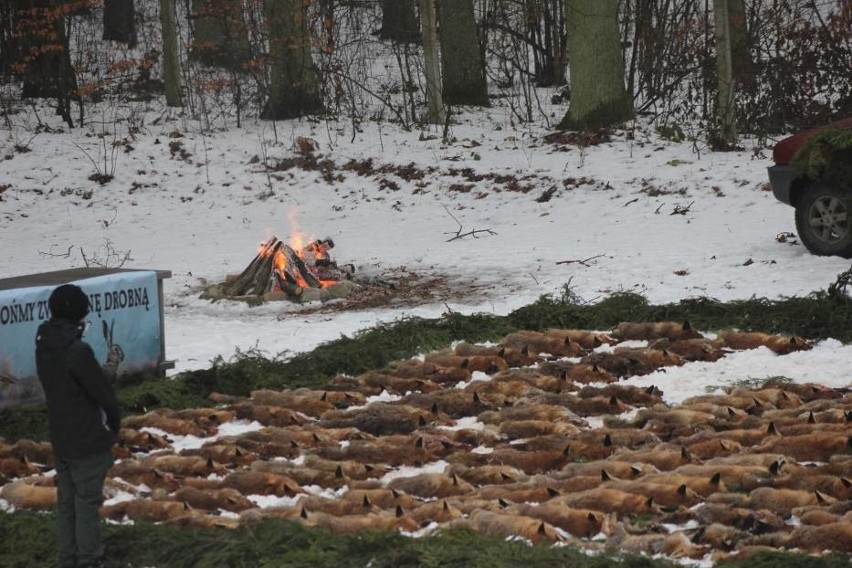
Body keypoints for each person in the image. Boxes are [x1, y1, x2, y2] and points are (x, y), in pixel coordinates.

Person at [36, 284, 123, 568]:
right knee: (86, 503)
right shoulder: (77, 351)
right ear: (77, 314)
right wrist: (114, 422)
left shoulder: (45, 345)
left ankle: (68, 558)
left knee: (67, 502)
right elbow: (100, 390)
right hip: (85, 438)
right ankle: (88, 560)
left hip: (61, 436)